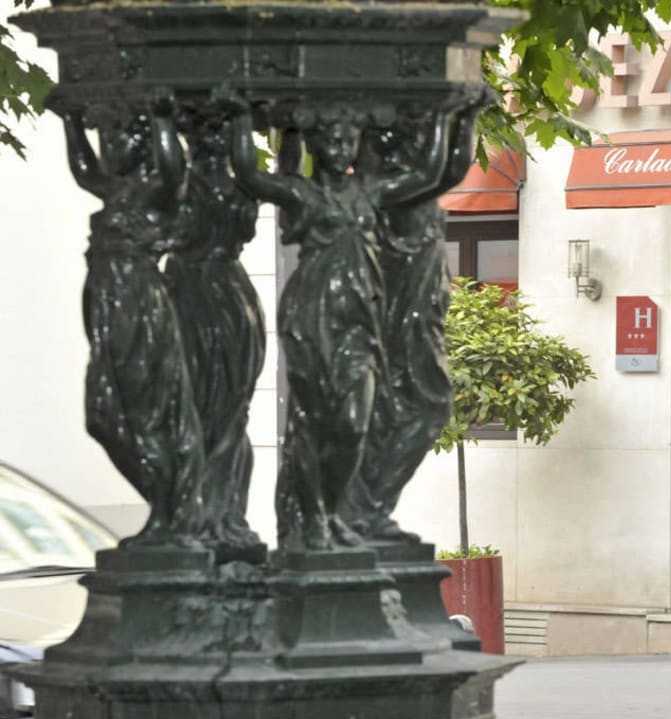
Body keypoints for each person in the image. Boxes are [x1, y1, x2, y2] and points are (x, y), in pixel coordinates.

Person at [221, 90, 456, 551]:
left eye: (350, 138)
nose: (343, 147)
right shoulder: (303, 193)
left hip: (358, 323)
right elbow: (250, 172)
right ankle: (316, 522)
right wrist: (241, 116)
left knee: (353, 423)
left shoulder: (370, 192)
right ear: (317, 143)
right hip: (313, 318)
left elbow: (430, 172)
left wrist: (450, 115)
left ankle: (334, 509)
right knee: (315, 422)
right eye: (332, 138)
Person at [57, 92, 204, 547]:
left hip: (138, 308)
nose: (111, 146)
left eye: (120, 137)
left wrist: (162, 120)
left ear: (141, 145)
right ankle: (168, 507)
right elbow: (84, 170)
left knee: (144, 411)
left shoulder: (157, 194)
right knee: (103, 414)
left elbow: (174, 168)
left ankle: (169, 511)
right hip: (105, 305)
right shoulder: (116, 190)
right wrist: (71, 120)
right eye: (109, 138)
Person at [341, 91, 489, 542]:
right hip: (399, 317)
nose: (403, 145)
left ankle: (371, 507)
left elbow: (449, 167)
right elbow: (437, 169)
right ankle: (363, 507)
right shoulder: (379, 191)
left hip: (421, 311)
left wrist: (465, 117)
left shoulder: (412, 188)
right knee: (412, 406)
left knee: (422, 408)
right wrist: (454, 113)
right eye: (389, 138)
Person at [164, 112, 266, 552]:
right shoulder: (175, 187)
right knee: (190, 409)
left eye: (217, 134)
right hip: (188, 294)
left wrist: (250, 122)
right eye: (201, 134)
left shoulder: (240, 187)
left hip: (227, 298)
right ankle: (192, 514)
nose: (208, 144)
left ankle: (226, 515)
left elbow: (250, 172)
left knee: (231, 413)